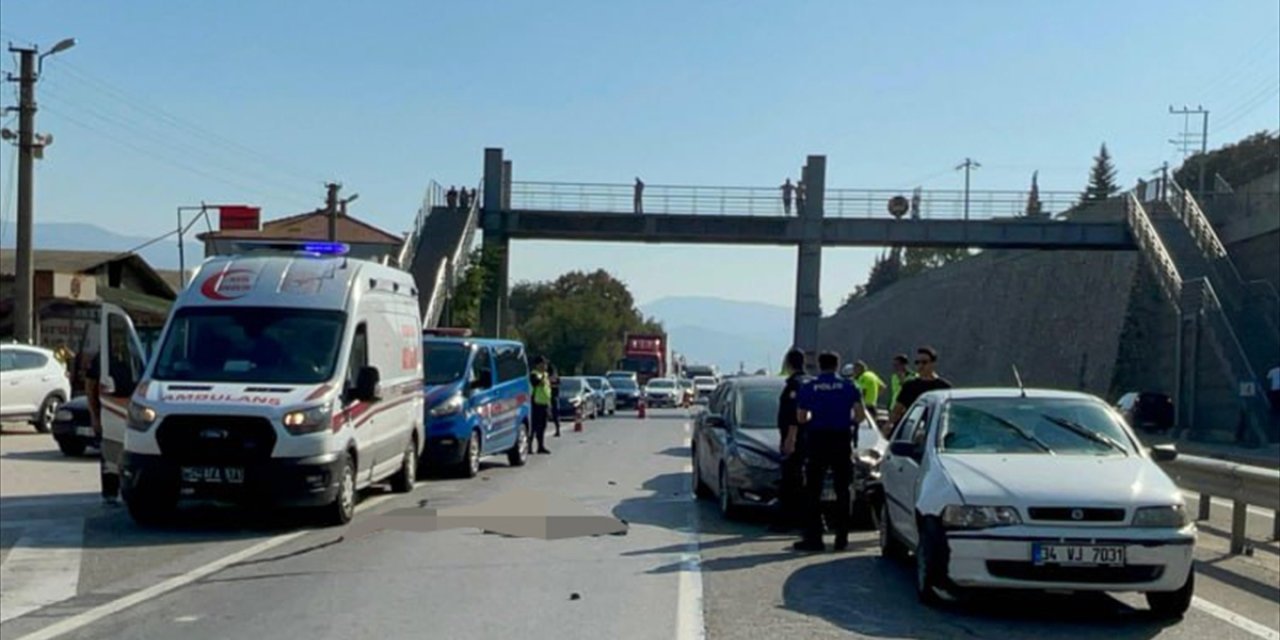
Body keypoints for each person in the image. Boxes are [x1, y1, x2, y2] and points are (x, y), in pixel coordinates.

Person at [793, 351, 866, 552]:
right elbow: (860, 416)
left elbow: (801, 417)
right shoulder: (850, 386)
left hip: (817, 439)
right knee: (843, 489)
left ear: (819, 364)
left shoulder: (809, 387)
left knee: (813, 490)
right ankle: (841, 539)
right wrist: (847, 422)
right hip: (841, 439)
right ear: (837, 365)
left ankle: (814, 538)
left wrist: (813, 421)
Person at [772, 349, 809, 533]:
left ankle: (787, 520)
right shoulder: (809, 381)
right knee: (800, 479)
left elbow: (795, 413)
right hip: (809, 438)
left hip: (796, 438)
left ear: (788, 363)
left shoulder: (795, 384)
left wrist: (790, 438)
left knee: (790, 479)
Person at [79, 346, 119, 505]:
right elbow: (90, 386)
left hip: (132, 411)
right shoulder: (103, 358)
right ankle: (111, 493)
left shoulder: (141, 349)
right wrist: (94, 417)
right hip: (110, 411)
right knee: (110, 456)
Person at [889, 346, 952, 426]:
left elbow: (949, 414)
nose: (920, 366)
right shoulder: (909, 386)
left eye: (924, 362)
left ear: (933, 363)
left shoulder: (944, 387)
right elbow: (896, 411)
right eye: (917, 362)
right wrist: (889, 425)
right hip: (911, 430)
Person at [528, 356, 552, 454]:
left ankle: (540, 446)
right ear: (538, 364)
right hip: (535, 403)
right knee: (534, 426)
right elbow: (536, 383)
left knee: (542, 426)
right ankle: (529, 446)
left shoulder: (545, 375)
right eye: (543, 364)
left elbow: (547, 389)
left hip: (544, 403)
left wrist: (549, 404)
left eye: (546, 364)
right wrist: (542, 376)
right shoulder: (534, 374)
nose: (545, 366)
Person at [549, 364, 563, 437]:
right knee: (555, 415)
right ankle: (557, 430)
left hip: (554, 397)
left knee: (555, 415)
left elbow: (558, 385)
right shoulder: (549, 377)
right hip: (550, 397)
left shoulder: (556, 378)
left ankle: (558, 430)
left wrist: (550, 385)